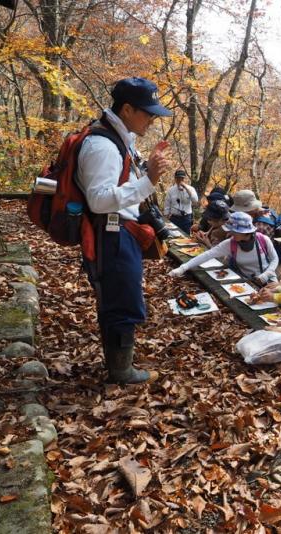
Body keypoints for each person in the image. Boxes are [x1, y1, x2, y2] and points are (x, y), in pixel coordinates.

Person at [76, 77, 172, 385]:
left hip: (120, 231)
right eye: (148, 113)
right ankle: (121, 371)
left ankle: (118, 365)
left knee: (120, 297)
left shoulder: (119, 139)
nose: (152, 119)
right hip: (111, 234)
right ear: (127, 109)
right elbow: (100, 199)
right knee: (122, 300)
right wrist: (149, 181)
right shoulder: (102, 146)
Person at [170, 212, 278, 285]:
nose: (230, 232)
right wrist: (183, 268)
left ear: (244, 232)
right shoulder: (231, 243)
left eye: (233, 231)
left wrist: (266, 275)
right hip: (246, 283)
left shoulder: (263, 240)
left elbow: (274, 259)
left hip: (269, 282)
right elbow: (207, 255)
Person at [163, 169, 198, 234]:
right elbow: (167, 204)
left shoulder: (191, 189)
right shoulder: (171, 190)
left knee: (186, 236)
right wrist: (166, 217)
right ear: (175, 179)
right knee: (173, 236)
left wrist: (186, 188)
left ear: (185, 179)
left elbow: (195, 200)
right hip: (174, 218)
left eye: (182, 178)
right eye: (178, 178)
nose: (180, 180)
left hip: (186, 218)